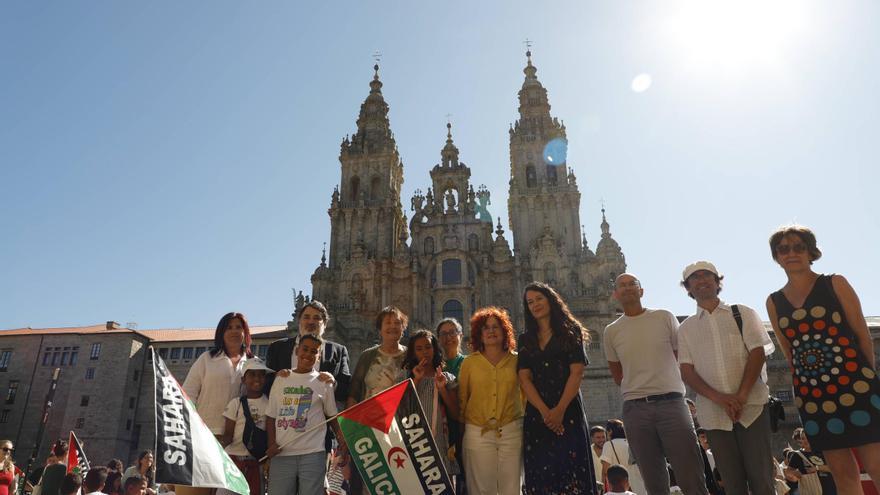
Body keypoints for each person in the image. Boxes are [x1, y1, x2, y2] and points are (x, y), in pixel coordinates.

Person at [766, 225, 880, 494]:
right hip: (814, 395)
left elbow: (863, 336)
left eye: (798, 247)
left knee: (876, 464)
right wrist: (805, 390)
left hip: (856, 384)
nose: (791, 253)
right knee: (842, 472)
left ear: (811, 251)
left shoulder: (834, 283)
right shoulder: (773, 302)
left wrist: (867, 380)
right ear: (776, 256)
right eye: (783, 248)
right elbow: (790, 351)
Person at [604, 273, 708, 495]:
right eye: (622, 285)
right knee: (652, 477)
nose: (628, 288)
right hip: (635, 407)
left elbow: (682, 356)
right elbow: (617, 373)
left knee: (690, 470)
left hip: (672, 402)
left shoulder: (664, 317)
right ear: (615, 294)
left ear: (641, 291)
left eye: (633, 284)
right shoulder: (611, 331)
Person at [678, 261, 776, 495]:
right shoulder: (686, 328)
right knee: (732, 484)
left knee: (762, 479)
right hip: (714, 414)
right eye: (695, 278)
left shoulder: (742, 313)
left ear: (717, 281)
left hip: (752, 407)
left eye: (707, 275)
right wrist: (722, 399)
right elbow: (687, 371)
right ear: (688, 288)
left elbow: (757, 352)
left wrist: (741, 396)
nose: (701, 280)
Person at [518, 282, 597, 495]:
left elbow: (577, 372)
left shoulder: (571, 332)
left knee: (572, 472)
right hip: (538, 414)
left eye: (539, 299)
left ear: (551, 300)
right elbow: (524, 379)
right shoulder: (525, 339)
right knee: (542, 476)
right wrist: (546, 413)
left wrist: (559, 410)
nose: (535, 305)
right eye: (530, 302)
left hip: (568, 410)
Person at [458, 307, 523, 495]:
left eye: (496, 327)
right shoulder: (469, 363)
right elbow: (463, 398)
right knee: (480, 489)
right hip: (477, 432)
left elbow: (526, 395)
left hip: (511, 431)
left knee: (511, 488)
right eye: (486, 327)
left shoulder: (517, 361)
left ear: (505, 332)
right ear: (479, 334)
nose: (491, 331)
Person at [266, 334, 340, 495]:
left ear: (318, 356)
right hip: (282, 452)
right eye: (305, 349)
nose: (308, 354)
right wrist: (271, 443)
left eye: (314, 351)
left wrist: (343, 444)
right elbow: (271, 416)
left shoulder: (323, 382)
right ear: (297, 350)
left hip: (313, 454)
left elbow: (333, 417)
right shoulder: (281, 378)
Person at [264, 300, 351, 406]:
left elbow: (346, 389)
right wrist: (276, 378)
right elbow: (265, 383)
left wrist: (334, 384)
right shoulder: (277, 347)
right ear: (299, 321)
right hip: (284, 415)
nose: (311, 322)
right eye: (306, 317)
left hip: (321, 418)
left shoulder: (339, 351)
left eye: (316, 318)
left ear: (325, 324)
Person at [182, 312, 253, 437]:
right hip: (204, 432)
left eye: (238, 327)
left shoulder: (254, 363)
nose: (234, 331)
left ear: (245, 332)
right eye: (229, 328)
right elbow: (188, 395)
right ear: (221, 333)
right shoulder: (206, 359)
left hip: (238, 436)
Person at [403, 329, 461, 481]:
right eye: (419, 349)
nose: (425, 352)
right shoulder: (405, 379)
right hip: (414, 445)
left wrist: (442, 389)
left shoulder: (447, 378)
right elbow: (400, 410)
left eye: (428, 347)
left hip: (440, 445)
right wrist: (415, 380)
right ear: (413, 353)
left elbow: (456, 413)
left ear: (435, 349)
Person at [220, 359, 272, 495]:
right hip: (233, 461)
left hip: (256, 463)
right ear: (243, 379)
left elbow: (270, 434)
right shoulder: (235, 404)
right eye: (252, 375)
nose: (257, 379)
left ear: (265, 379)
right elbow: (228, 435)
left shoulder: (270, 405)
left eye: (261, 375)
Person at [347, 306, 408, 407]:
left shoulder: (410, 355)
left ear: (403, 328)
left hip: (401, 419)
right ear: (380, 329)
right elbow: (355, 390)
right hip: (369, 417)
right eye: (388, 322)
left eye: (397, 323)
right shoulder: (367, 356)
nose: (393, 326)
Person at [436, 317, 467, 495]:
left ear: (460, 335)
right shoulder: (434, 366)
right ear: (438, 338)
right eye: (443, 334)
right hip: (440, 429)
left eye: (452, 332)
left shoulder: (469, 363)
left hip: (464, 427)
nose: (448, 337)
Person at [600, 419, 645, 495]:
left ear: (610, 431)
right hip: (640, 487)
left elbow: (606, 470)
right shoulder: (634, 443)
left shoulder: (609, 445)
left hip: (620, 490)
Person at [787, 428, 836, 495]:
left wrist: (817, 468)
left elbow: (833, 468)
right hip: (810, 491)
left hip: (831, 490)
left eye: (808, 438)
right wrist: (796, 474)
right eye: (803, 438)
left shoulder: (823, 452)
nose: (805, 440)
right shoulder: (797, 455)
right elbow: (788, 472)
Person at [590, 426, 607, 492]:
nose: (602, 440)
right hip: (594, 490)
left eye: (603, 437)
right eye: (598, 437)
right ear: (592, 438)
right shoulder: (588, 452)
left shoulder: (610, 451)